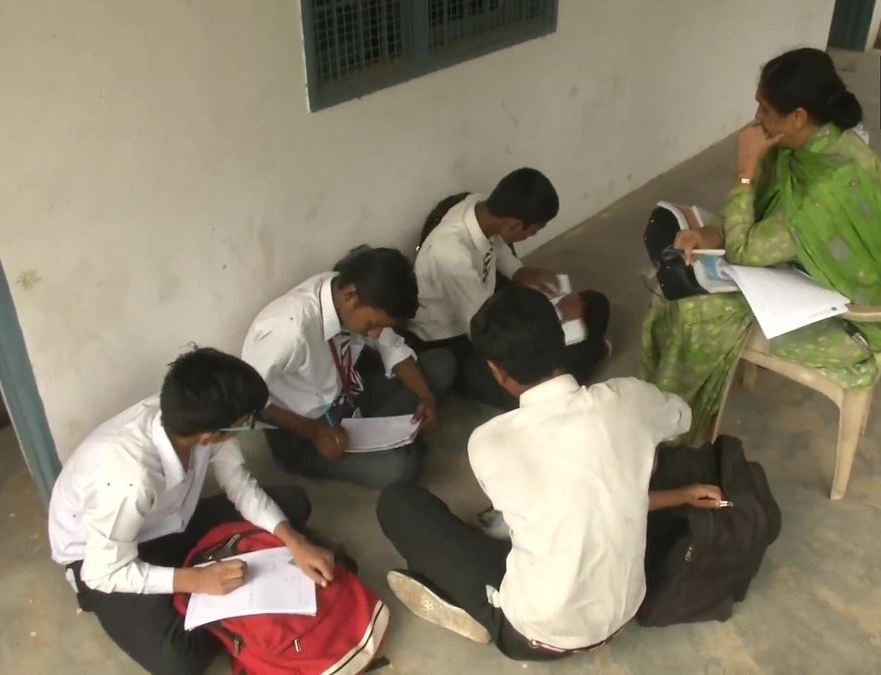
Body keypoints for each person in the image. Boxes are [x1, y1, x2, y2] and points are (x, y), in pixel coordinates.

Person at [378, 286, 722, 660]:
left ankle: (481, 610)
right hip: (626, 609)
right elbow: (680, 418)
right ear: (562, 340)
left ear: (497, 372)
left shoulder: (488, 443)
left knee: (398, 503)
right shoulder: (629, 397)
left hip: (535, 634)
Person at [642, 47, 881, 444]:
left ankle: (676, 435)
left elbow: (747, 250)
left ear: (798, 116)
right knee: (678, 282)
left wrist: (745, 172)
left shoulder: (827, 188)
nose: (757, 118)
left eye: (765, 109)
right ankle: (659, 410)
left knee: (695, 309)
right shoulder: (811, 146)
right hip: (805, 272)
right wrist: (708, 234)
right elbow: (757, 219)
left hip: (852, 319)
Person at [48, 347, 336, 675]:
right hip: (101, 559)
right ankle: (217, 591)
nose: (249, 427)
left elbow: (238, 484)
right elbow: (102, 571)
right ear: (211, 435)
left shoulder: (195, 419)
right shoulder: (131, 478)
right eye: (245, 424)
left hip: (169, 522)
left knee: (292, 505)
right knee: (179, 660)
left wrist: (294, 542)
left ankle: (224, 585)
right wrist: (196, 580)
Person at [242, 247, 456, 488]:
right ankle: (393, 444)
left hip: (350, 398)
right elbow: (247, 398)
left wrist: (426, 399)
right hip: (306, 433)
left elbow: (392, 347)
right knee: (401, 469)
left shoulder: (340, 289)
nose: (375, 333)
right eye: (373, 324)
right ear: (350, 296)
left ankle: (391, 440)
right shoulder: (290, 329)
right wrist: (316, 433)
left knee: (441, 364)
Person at [408, 168, 611, 411]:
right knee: (530, 386)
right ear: (514, 225)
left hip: (488, 306)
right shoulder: (452, 255)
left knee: (596, 302)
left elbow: (498, 244)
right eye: (535, 229)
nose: (534, 234)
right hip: (458, 342)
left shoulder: (480, 206)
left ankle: (583, 352)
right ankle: (585, 353)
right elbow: (483, 330)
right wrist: (562, 320)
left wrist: (520, 272)